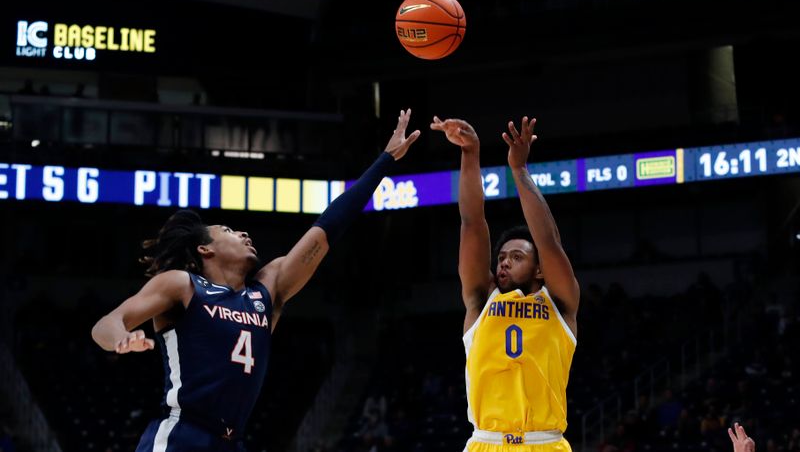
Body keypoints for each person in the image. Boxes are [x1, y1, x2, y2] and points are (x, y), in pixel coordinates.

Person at [91, 109, 420, 451]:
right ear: (205, 249)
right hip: (181, 435)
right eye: (228, 230)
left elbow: (327, 228)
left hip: (232, 441)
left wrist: (384, 160)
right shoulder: (183, 285)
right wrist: (121, 339)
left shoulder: (267, 290)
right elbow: (106, 323)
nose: (243, 232)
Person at [431, 116, 579, 452]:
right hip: (487, 443)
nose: (504, 262)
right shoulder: (480, 300)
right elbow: (471, 223)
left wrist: (519, 170)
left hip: (546, 442)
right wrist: (470, 153)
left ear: (539, 270)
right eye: (501, 258)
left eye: (517, 257)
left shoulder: (560, 303)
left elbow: (549, 241)